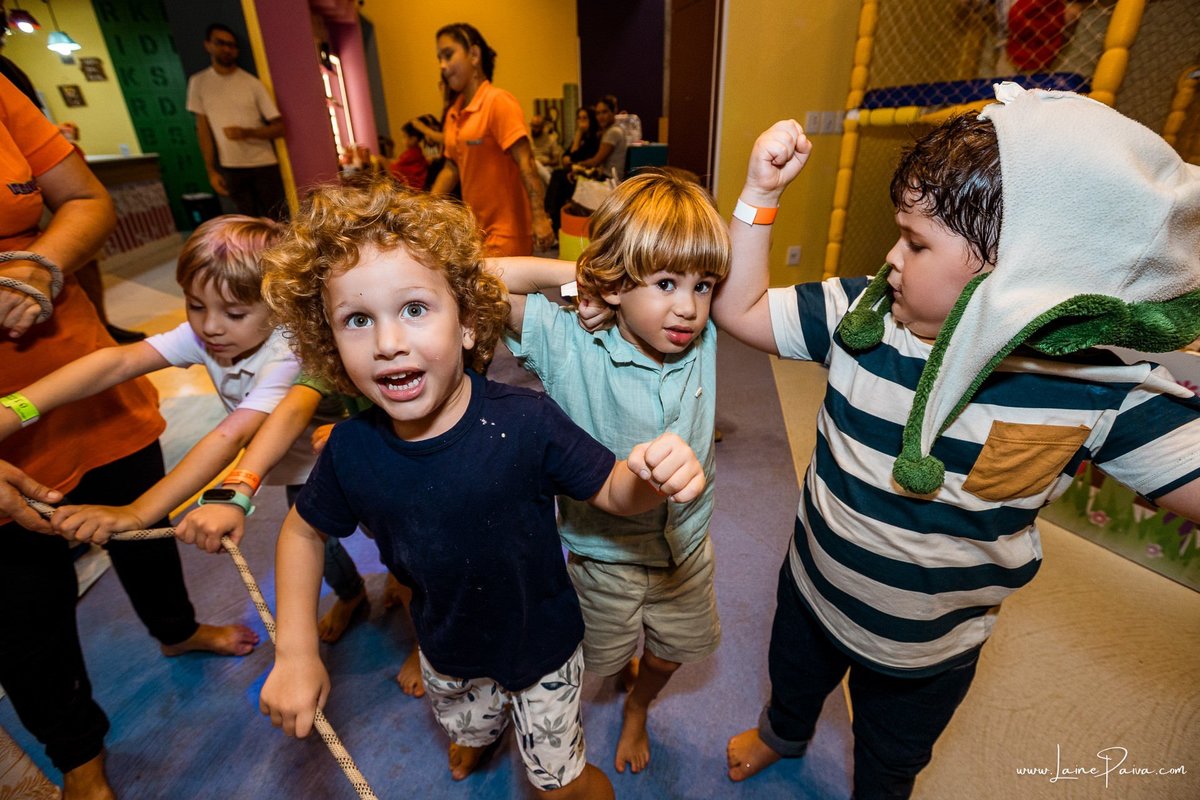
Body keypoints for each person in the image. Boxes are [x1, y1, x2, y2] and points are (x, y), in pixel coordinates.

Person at [713, 86, 1200, 798]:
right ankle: (783, 732)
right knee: (793, 678)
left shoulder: (1099, 390)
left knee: (891, 758)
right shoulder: (863, 313)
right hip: (816, 584)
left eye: (915, 241)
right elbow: (741, 310)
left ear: (1021, 273)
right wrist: (759, 194)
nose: (892, 256)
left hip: (932, 648)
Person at [256, 179, 706, 799]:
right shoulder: (352, 449)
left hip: (543, 648)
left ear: (469, 323)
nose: (389, 343)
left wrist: (650, 477)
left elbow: (611, 488)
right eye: (357, 320)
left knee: (558, 781)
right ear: (328, 344)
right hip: (446, 650)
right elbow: (303, 531)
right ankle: (481, 733)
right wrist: (296, 652)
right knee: (468, 726)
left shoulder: (525, 419)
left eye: (415, 309)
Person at [0, 75, 248, 800]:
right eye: (194, 308)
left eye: (227, 311)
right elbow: (127, 357)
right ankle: (77, 752)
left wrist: (40, 264)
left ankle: (177, 627)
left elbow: (237, 437)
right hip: (30, 412)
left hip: (78, 386)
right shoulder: (199, 335)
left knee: (147, 526)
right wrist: (13, 414)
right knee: (20, 604)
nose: (208, 329)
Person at [500, 169, 729, 774]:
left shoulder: (699, 336)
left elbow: (745, 280)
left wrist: (760, 191)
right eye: (665, 283)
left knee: (673, 650)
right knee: (597, 657)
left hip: (686, 548)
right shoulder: (566, 340)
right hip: (603, 556)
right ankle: (617, 683)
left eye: (703, 286)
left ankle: (639, 708)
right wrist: (574, 277)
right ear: (617, 282)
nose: (688, 306)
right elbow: (472, 278)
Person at [173, 374, 381, 648]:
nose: (214, 329)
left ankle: (414, 625)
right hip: (309, 472)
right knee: (318, 542)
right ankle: (352, 593)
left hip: (370, 459)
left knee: (398, 545)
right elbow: (288, 410)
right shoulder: (316, 360)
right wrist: (234, 494)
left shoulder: (283, 356)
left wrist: (356, 431)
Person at [430, 22, 555, 255]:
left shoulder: (498, 102)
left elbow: (526, 161)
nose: (443, 66)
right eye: (439, 58)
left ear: (474, 55)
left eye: (448, 55)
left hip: (507, 233)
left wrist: (539, 217)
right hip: (475, 232)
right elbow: (451, 167)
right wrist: (423, 209)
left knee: (506, 292)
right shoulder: (454, 113)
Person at [186, 23, 287, 219]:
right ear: (208, 45)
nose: (226, 49)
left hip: (263, 164)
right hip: (230, 166)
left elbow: (279, 127)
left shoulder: (251, 83)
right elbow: (203, 130)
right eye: (220, 43)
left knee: (275, 220)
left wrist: (247, 133)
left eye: (231, 45)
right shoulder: (199, 83)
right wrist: (210, 170)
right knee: (241, 226)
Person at [570, 95, 628, 182]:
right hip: (605, 177)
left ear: (614, 112)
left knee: (564, 178)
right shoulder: (611, 130)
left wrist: (577, 165)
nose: (600, 117)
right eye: (598, 113)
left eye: (604, 112)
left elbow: (596, 161)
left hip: (609, 181)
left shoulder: (613, 132)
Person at [389, 121, 428, 191]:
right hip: (415, 186)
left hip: (413, 187)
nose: (402, 140)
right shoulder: (415, 151)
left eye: (404, 137)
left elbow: (397, 167)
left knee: (381, 159)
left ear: (413, 139)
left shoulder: (413, 153)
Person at [529, 112, 563, 184]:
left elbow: (556, 161)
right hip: (532, 167)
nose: (534, 129)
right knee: (535, 166)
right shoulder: (527, 140)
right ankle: (550, 183)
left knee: (540, 172)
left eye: (537, 126)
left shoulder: (551, 139)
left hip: (547, 167)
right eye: (533, 126)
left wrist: (545, 162)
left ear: (542, 127)